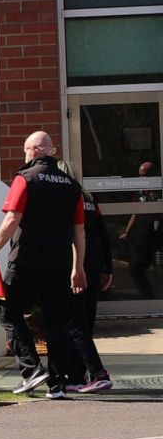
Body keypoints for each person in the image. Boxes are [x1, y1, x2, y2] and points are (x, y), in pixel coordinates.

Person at [0, 131, 103, 399]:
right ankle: (57, 384)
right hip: (59, 264)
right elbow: (79, 232)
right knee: (56, 322)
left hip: (25, 260)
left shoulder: (25, 178)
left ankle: (31, 369)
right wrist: (78, 267)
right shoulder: (72, 185)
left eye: (26, 150)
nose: (25, 155)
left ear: (34, 151)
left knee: (8, 311)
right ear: (51, 151)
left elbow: (12, 218)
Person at [58, 159, 113, 392]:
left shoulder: (67, 198)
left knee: (74, 321)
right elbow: (103, 234)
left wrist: (73, 267)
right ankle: (77, 376)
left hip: (76, 266)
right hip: (93, 264)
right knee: (85, 321)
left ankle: (93, 373)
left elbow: (72, 234)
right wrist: (107, 268)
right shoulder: (89, 198)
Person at [119, 161, 159, 299]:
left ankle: (150, 299)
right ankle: (148, 297)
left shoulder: (157, 191)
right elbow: (135, 211)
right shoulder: (140, 191)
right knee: (135, 266)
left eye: (145, 176)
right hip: (141, 233)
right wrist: (128, 231)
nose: (142, 179)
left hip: (153, 234)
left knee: (137, 266)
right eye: (140, 176)